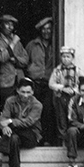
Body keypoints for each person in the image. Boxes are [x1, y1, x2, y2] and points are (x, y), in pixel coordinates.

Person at [0, 77, 42, 167]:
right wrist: (4, 126)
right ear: (18, 90)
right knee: (13, 138)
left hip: (31, 135)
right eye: (22, 92)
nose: (25, 95)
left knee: (13, 129)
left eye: (28, 92)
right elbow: (3, 118)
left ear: (32, 92)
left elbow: (28, 122)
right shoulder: (10, 101)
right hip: (14, 136)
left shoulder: (37, 105)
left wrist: (9, 122)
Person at [25, 16, 56, 145]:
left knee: (48, 111)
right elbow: (24, 62)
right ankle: (36, 138)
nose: (46, 32)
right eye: (44, 29)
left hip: (49, 83)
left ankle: (47, 139)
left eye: (49, 29)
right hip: (35, 82)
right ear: (40, 31)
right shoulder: (32, 45)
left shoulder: (56, 43)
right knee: (33, 110)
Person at [49, 46, 83, 143]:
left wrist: (74, 90)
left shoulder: (77, 70)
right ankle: (62, 139)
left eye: (68, 57)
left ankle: (72, 140)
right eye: (64, 56)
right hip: (60, 97)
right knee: (61, 118)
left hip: (73, 98)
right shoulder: (57, 70)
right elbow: (51, 84)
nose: (66, 59)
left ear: (72, 58)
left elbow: (81, 83)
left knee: (72, 117)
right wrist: (62, 88)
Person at [0, 14, 29, 109]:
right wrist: (13, 43)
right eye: (7, 24)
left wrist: (14, 59)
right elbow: (2, 57)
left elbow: (25, 60)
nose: (10, 27)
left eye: (12, 25)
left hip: (18, 81)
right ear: (1, 25)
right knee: (6, 108)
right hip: (5, 81)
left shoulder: (17, 42)